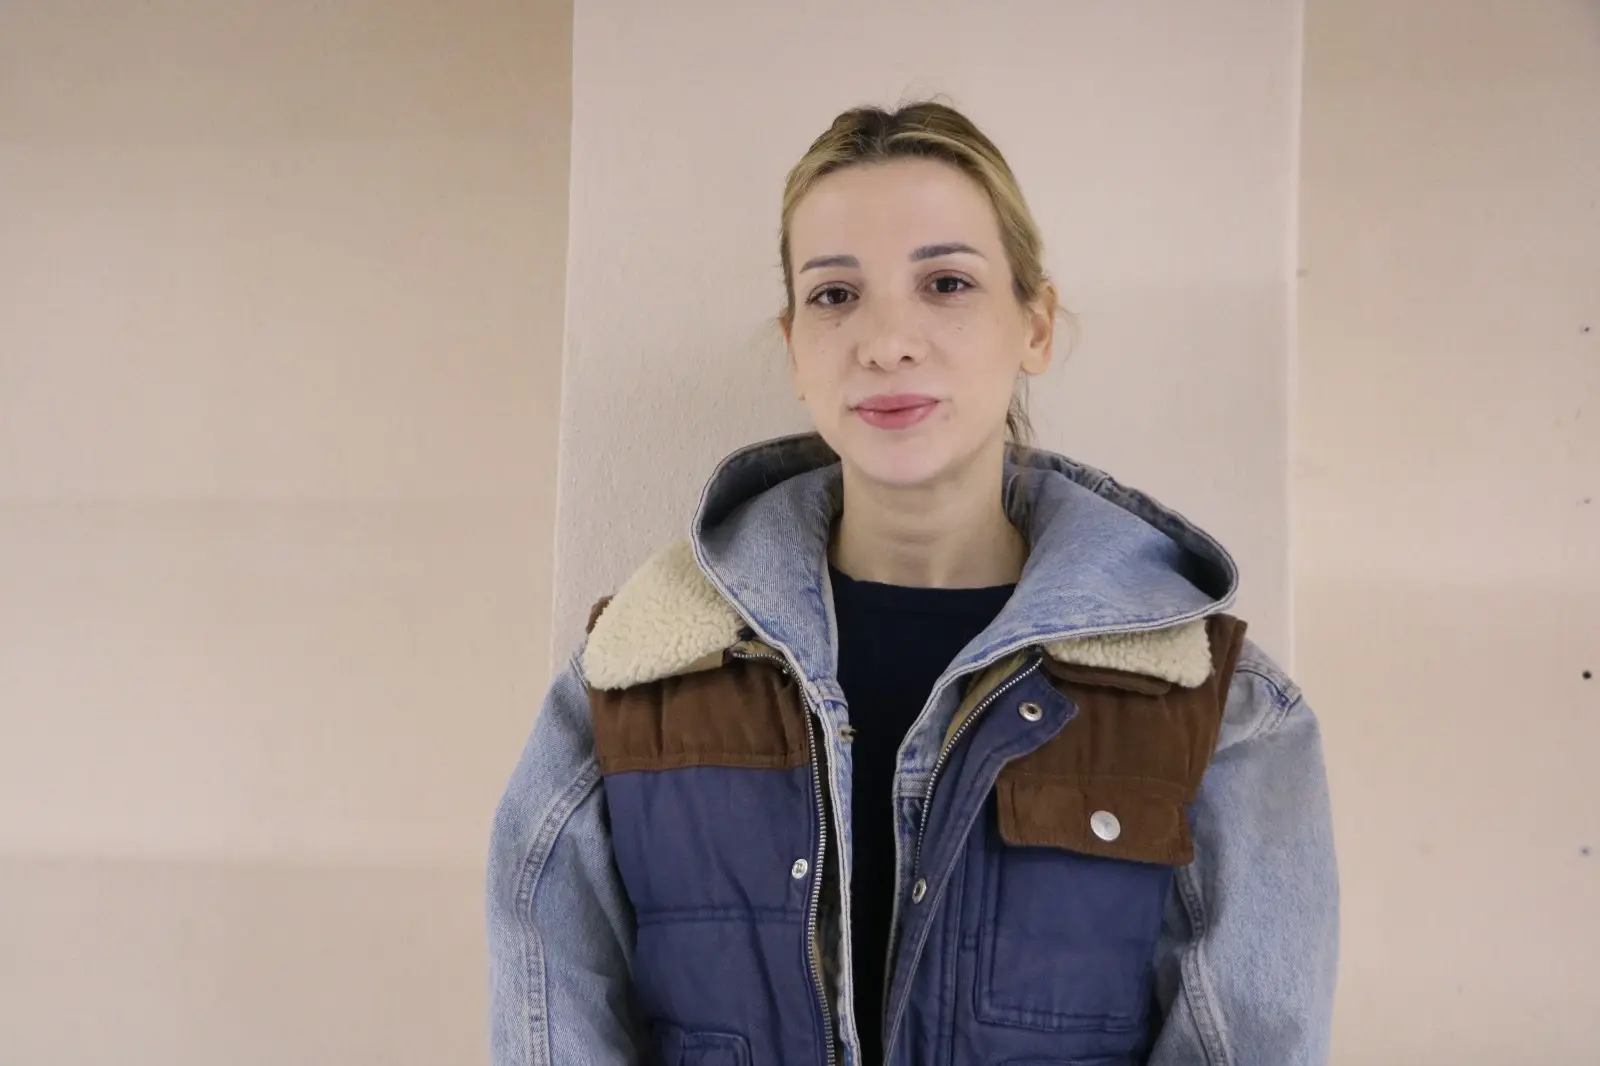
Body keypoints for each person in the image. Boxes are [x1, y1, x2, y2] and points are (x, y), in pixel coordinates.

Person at [488, 101, 1338, 1066]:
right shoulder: (634, 678)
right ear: (794, 346)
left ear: (1036, 325)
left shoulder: (1219, 709)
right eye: (835, 294)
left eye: (946, 283)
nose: (887, 341)